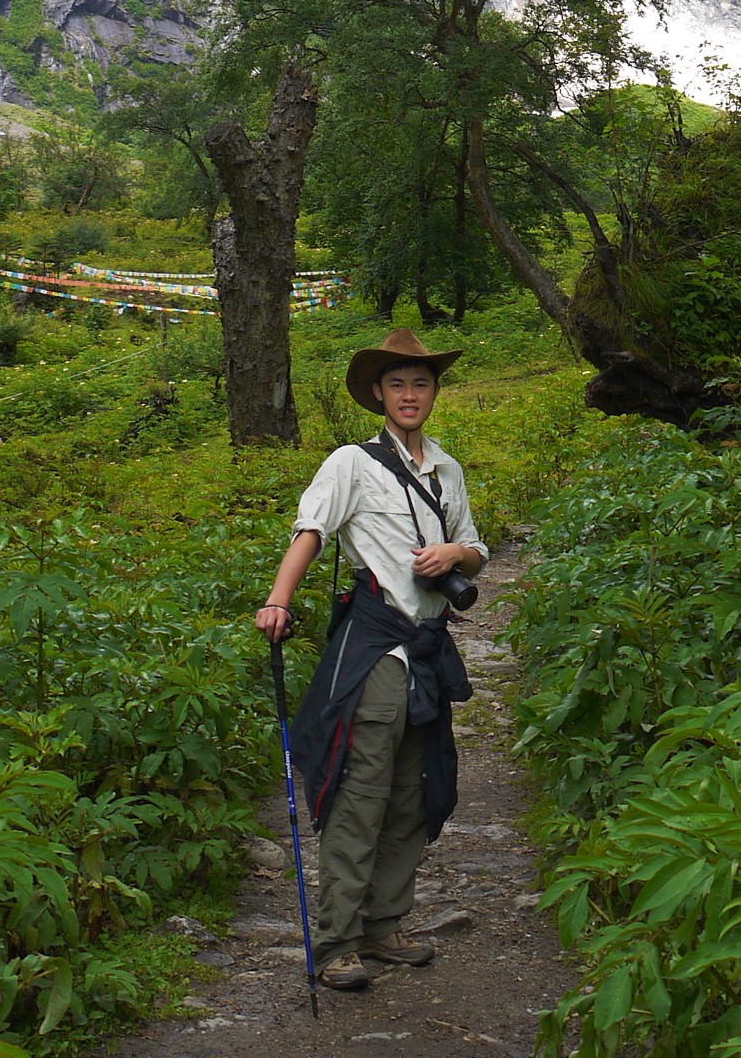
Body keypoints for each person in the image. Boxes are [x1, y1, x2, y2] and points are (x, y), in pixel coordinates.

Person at [255, 326, 488, 993]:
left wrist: (455, 556)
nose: (410, 394)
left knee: (412, 794)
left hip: (430, 648)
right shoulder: (350, 464)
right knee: (361, 795)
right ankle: (335, 944)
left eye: (420, 383)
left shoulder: (447, 469)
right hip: (380, 646)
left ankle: (385, 925)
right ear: (379, 395)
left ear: (434, 391)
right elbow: (312, 531)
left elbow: (476, 546)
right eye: (397, 384)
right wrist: (277, 600)